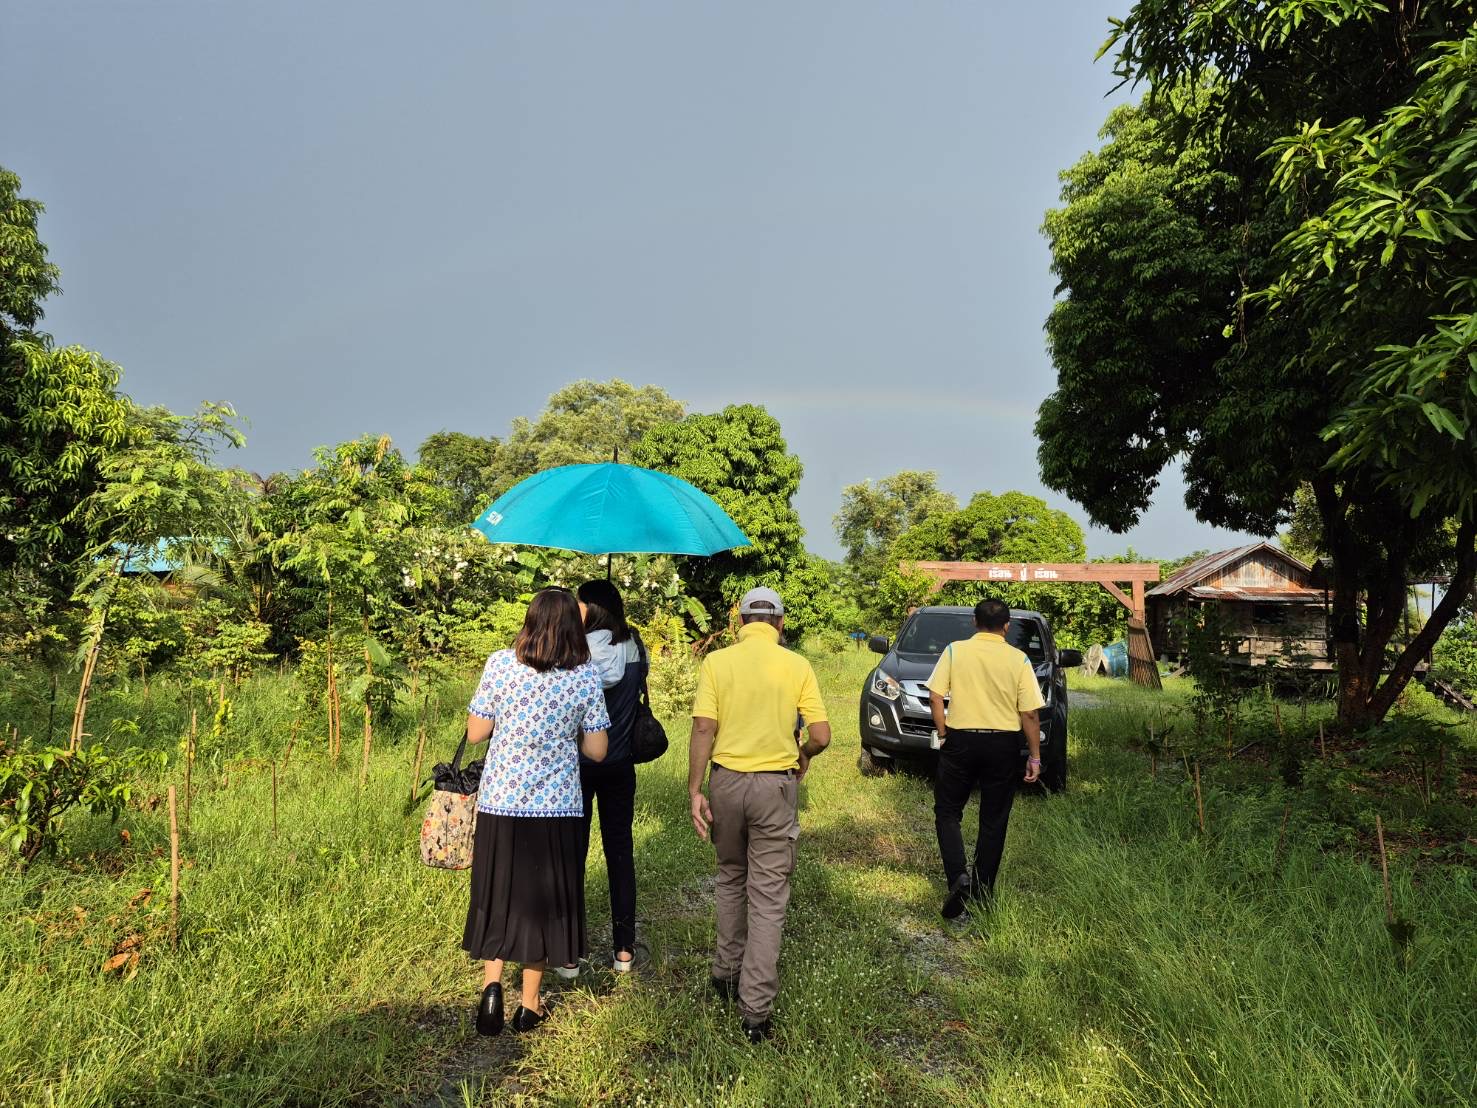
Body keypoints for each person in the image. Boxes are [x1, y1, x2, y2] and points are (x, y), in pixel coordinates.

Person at [462, 588, 611, 1037]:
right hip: (557, 807)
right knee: (544, 902)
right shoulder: (585, 675)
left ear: (529, 622)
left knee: (498, 891)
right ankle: (529, 1005)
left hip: (500, 802)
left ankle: (492, 989)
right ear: (574, 627)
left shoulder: (499, 664)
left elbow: (476, 733)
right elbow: (598, 750)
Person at [687, 587, 831, 1043]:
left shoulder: (717, 663)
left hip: (726, 782)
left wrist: (695, 789)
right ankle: (756, 1012)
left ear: (741, 622)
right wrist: (803, 752)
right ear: (781, 624)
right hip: (775, 786)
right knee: (767, 896)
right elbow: (823, 735)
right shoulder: (797, 665)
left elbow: (704, 728)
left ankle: (724, 973)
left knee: (730, 876)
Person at [925, 598, 1044, 923]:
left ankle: (957, 879)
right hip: (1003, 744)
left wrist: (943, 732)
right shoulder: (1018, 659)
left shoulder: (954, 651)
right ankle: (981, 892)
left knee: (947, 811)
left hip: (961, 739)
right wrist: (1034, 756)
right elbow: (1030, 713)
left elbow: (936, 695)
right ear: (1007, 626)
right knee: (994, 819)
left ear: (974, 623)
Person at [564, 579, 643, 976]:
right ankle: (624, 950)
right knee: (620, 854)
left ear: (592, 608)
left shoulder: (573, 652)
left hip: (576, 768)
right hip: (621, 765)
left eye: (580, 602)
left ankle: (569, 954)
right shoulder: (636, 644)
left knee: (571, 856)